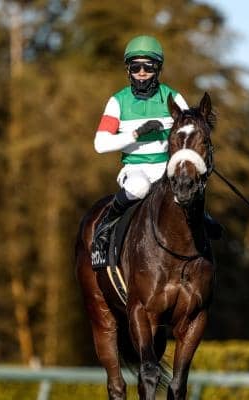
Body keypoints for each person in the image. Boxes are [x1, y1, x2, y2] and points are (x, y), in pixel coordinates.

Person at [91, 35, 221, 270]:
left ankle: (202, 217)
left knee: (187, 184)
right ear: (128, 70)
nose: (141, 73)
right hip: (135, 169)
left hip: (166, 167)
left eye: (148, 67)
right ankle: (105, 228)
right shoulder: (117, 102)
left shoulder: (173, 97)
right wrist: (136, 133)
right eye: (136, 67)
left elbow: (190, 130)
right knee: (139, 187)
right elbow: (100, 144)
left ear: (157, 69)